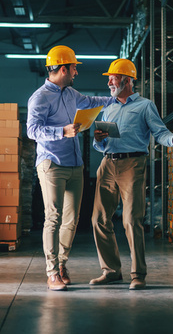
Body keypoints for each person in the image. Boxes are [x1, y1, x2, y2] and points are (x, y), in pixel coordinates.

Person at [90, 58, 173, 290]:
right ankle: (111, 271)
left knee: (131, 220)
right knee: (98, 219)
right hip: (107, 165)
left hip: (132, 165)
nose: (109, 83)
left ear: (127, 80)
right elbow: (100, 143)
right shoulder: (108, 107)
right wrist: (98, 140)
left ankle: (138, 274)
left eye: (113, 78)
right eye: (109, 79)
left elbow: (160, 133)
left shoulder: (145, 105)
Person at [26, 45, 116, 291]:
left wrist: (117, 98)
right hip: (52, 163)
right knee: (52, 218)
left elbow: (91, 101)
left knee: (72, 220)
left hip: (75, 165)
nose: (76, 72)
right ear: (63, 68)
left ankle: (62, 264)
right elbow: (32, 131)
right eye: (74, 68)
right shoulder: (40, 97)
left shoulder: (71, 94)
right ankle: (51, 272)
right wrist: (61, 131)